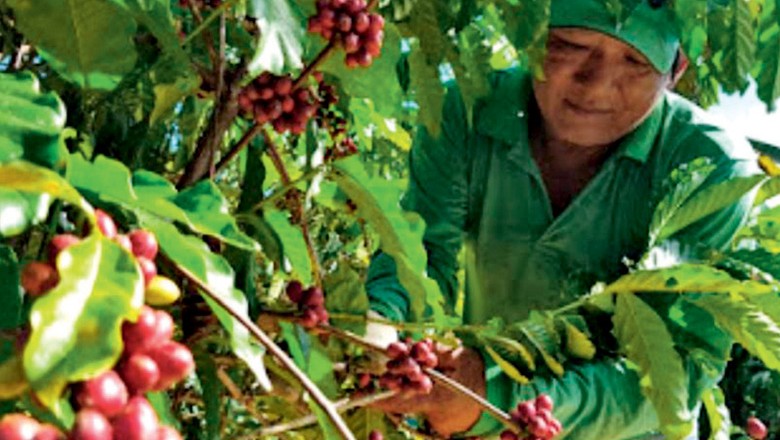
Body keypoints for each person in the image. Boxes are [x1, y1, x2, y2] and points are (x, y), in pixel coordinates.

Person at [364, 0, 762, 438]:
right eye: (570, 45)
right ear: (530, 37)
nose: (596, 87)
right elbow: (421, 254)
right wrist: (385, 326)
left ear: (676, 68)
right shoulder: (471, 110)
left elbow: (675, 371)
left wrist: (494, 400)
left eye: (635, 61)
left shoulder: (709, 167)